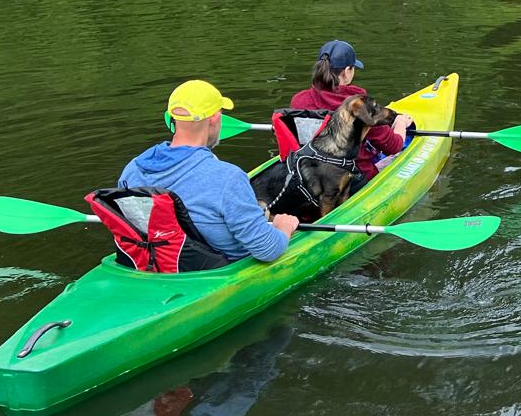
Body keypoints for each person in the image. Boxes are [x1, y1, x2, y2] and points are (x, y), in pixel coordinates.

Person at [120, 80, 299, 262]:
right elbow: (267, 250)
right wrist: (284, 227)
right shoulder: (228, 178)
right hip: (215, 270)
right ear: (215, 118)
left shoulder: (132, 170)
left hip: (156, 261)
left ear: (171, 118)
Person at [289, 39, 412, 174]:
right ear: (347, 71)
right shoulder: (361, 106)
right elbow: (392, 146)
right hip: (354, 178)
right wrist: (400, 122)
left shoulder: (298, 100)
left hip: (309, 174)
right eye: (353, 68)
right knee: (398, 155)